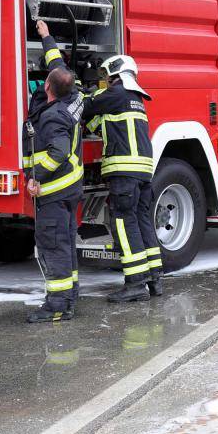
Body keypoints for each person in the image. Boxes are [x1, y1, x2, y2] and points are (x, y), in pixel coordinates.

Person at [36, 21, 163, 303]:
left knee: (123, 224)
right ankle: (155, 280)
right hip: (143, 174)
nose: (103, 81)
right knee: (142, 223)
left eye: (107, 76)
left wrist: (52, 48)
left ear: (117, 75)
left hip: (124, 174)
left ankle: (135, 285)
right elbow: (96, 120)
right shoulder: (135, 98)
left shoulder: (115, 94)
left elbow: (81, 100)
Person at [23, 63, 86, 323]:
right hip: (67, 191)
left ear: (46, 86)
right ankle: (68, 298)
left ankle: (57, 306)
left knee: (54, 247)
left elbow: (57, 153)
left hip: (54, 192)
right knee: (66, 246)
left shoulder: (52, 116)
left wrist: (34, 177)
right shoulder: (68, 107)